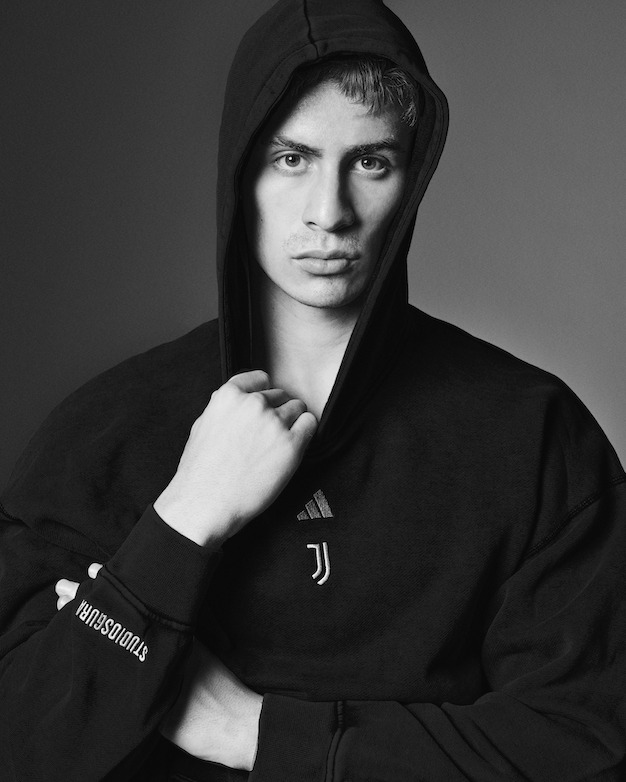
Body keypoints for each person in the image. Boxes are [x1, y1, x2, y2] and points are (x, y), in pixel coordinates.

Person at [1, 0, 625, 780]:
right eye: (291, 159)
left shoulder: (532, 435)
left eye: (371, 162)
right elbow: (22, 747)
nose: (329, 214)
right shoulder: (104, 435)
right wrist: (185, 515)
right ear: (241, 172)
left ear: (411, 177)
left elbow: (586, 748)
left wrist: (255, 732)